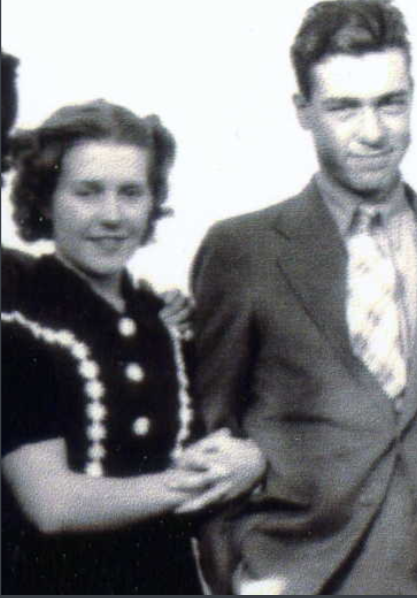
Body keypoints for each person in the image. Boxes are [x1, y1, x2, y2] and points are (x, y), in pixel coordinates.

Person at [191, 0, 417, 594]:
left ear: (413, 96)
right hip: (300, 578)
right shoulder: (242, 250)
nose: (373, 132)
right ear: (303, 112)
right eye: (344, 108)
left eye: (391, 103)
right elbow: (209, 436)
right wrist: (237, 580)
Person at [2, 100, 265, 595]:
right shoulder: (19, 326)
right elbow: (52, 506)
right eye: (87, 192)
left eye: (131, 193)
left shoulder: (167, 323)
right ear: (46, 200)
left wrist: (251, 460)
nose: (112, 216)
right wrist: (200, 480)